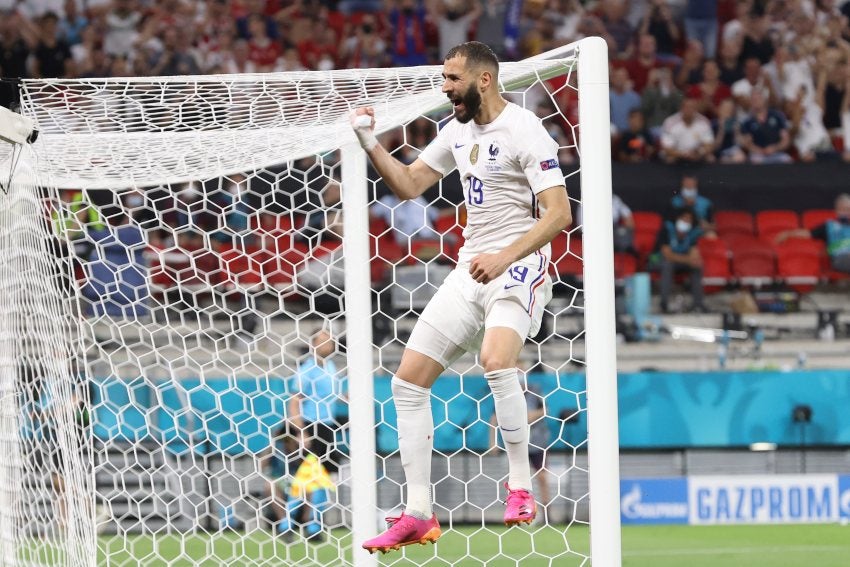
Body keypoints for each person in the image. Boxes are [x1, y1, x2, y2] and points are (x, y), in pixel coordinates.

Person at [350, 41, 571, 553]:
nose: (445, 88)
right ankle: (418, 513)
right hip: (470, 270)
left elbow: (559, 214)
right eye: (444, 78)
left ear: (484, 79)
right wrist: (368, 141)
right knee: (406, 382)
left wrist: (503, 257)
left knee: (498, 360)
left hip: (518, 266)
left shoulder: (524, 128)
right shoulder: (456, 132)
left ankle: (519, 485)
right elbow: (408, 184)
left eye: (452, 79)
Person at [775, 193, 850, 273]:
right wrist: (788, 233)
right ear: (836, 211)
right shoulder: (829, 226)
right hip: (840, 258)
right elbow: (808, 233)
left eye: (848, 210)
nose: (846, 213)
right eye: (843, 210)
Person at [652, 207, 706, 313]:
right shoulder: (667, 229)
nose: (686, 222)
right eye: (684, 218)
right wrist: (688, 260)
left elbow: (693, 253)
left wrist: (695, 260)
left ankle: (698, 305)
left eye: (689, 219)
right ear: (677, 218)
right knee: (667, 264)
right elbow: (667, 255)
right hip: (657, 260)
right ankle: (664, 304)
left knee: (697, 266)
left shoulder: (692, 233)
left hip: (679, 262)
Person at [740, 89, 793, 163]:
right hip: (758, 155)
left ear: (764, 99)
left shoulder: (777, 116)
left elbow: (786, 140)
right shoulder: (747, 121)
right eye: (754, 99)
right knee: (755, 161)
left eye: (758, 98)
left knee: (787, 160)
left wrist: (775, 148)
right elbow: (748, 144)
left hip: (777, 152)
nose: (756, 101)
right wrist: (759, 150)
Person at [659, 98, 715, 164]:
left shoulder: (704, 122)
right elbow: (667, 148)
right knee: (670, 159)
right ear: (681, 109)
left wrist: (699, 152)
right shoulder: (670, 122)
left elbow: (709, 145)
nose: (689, 110)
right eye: (687, 107)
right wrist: (683, 154)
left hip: (697, 153)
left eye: (692, 108)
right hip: (677, 154)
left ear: (696, 109)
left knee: (710, 158)